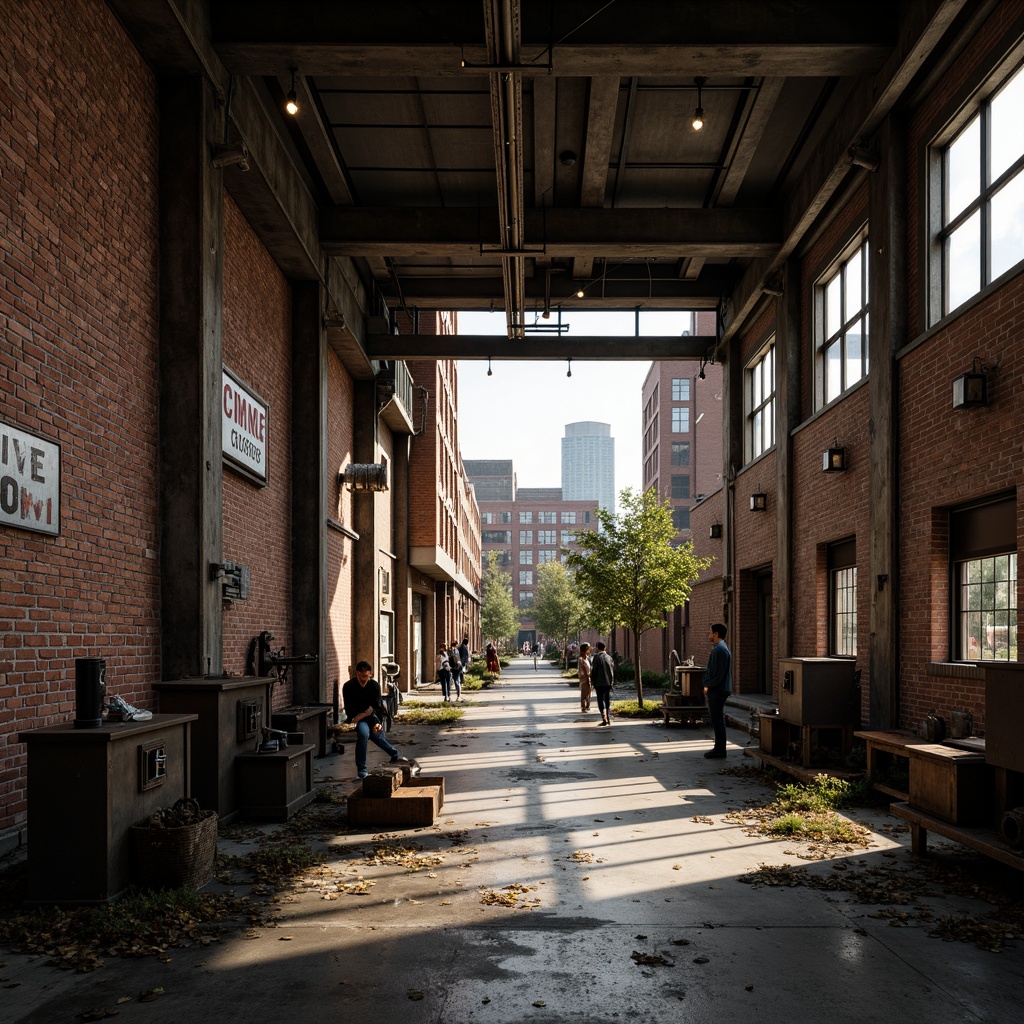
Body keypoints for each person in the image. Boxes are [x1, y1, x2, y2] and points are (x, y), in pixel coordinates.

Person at [343, 660, 406, 779]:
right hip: (358, 719)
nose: (363, 679)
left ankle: (394, 753)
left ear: (370, 674)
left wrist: (370, 717)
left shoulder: (374, 685)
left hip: (372, 718)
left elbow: (377, 706)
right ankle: (361, 768)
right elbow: (349, 707)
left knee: (377, 736)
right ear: (356, 673)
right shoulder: (348, 686)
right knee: (363, 733)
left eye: (366, 676)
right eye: (361, 676)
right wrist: (357, 717)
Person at [702, 623, 733, 759]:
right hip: (719, 689)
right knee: (717, 719)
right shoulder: (721, 648)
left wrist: (708, 685)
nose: (709, 635)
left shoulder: (720, 650)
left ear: (716, 634)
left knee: (717, 719)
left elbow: (718, 674)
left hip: (718, 690)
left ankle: (720, 750)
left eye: (710, 632)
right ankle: (719, 748)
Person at [590, 641, 615, 726]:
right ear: (605, 648)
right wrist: (612, 682)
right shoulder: (609, 657)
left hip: (599, 682)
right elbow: (612, 671)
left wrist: (593, 681)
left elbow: (594, 670)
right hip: (608, 682)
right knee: (607, 699)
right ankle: (608, 717)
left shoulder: (596, 657)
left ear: (597, 648)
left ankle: (604, 717)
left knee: (600, 699)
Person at [577, 642, 592, 713]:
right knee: (584, 693)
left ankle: (587, 706)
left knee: (588, 693)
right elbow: (584, 671)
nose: (590, 650)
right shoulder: (581, 659)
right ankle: (583, 707)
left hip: (588, 678)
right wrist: (587, 679)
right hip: (584, 678)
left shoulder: (587, 658)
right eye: (588, 649)